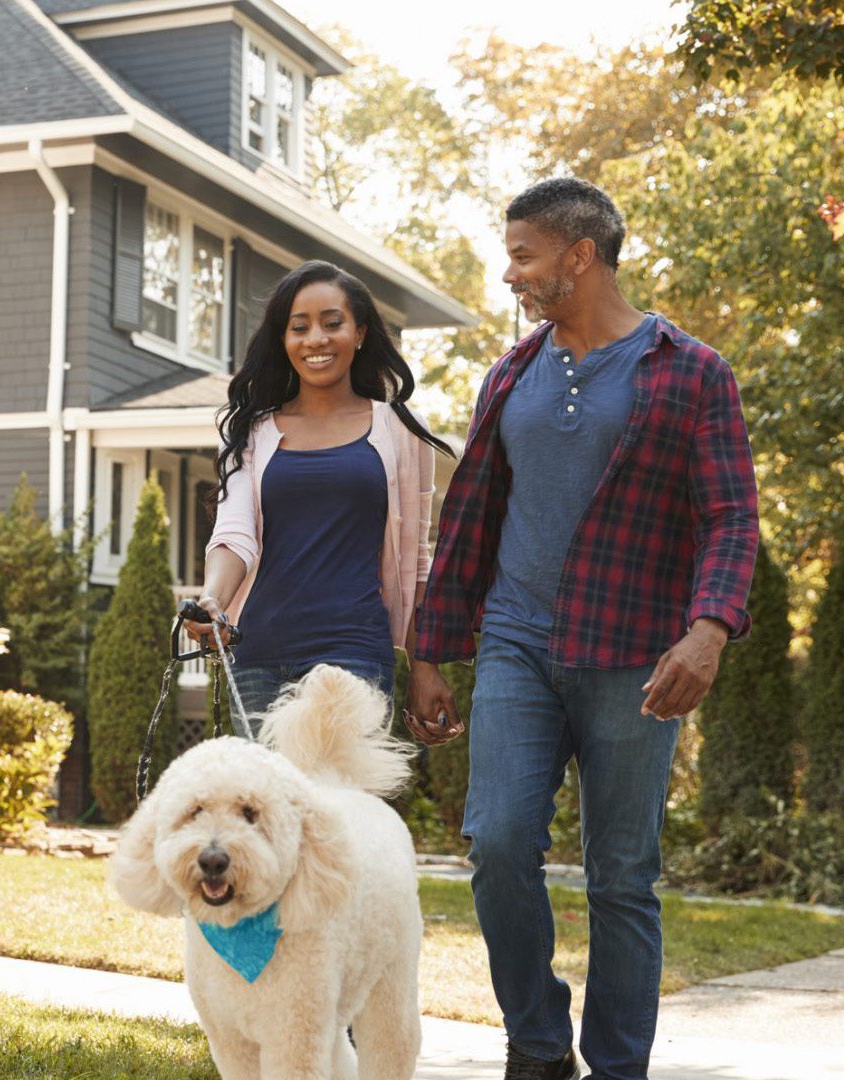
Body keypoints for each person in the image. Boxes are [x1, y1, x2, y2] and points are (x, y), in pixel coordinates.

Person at [405, 178, 760, 1080]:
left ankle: (616, 1067)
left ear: (579, 255)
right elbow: (473, 516)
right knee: (497, 844)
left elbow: (728, 517)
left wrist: (710, 628)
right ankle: (535, 1041)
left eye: (523, 254)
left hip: (636, 657)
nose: (510, 271)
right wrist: (434, 650)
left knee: (621, 877)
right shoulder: (512, 372)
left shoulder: (690, 370)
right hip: (518, 644)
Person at [190, 260, 453, 717]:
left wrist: (424, 666)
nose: (315, 339)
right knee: (264, 792)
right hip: (259, 658)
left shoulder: (401, 431)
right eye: (299, 327)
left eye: (333, 324)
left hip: (355, 657)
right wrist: (213, 598)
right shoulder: (249, 431)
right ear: (283, 339)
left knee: (342, 791)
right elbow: (233, 535)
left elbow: (416, 562)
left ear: (361, 333)